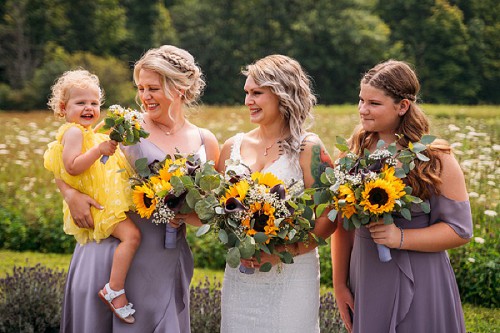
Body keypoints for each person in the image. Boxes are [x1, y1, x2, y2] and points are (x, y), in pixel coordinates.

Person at [55, 45, 219, 332]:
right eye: (140, 87)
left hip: (166, 258)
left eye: (153, 88)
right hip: (112, 253)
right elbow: (66, 160)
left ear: (180, 87)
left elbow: (209, 211)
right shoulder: (123, 126)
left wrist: (183, 214)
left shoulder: (206, 142)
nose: (144, 97)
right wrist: (70, 194)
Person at [331, 60, 473, 333]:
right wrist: (339, 285)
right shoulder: (352, 154)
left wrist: (401, 238)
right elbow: (342, 226)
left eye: (374, 103)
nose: (362, 109)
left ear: (403, 106)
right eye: (361, 100)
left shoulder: (435, 158)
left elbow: (460, 230)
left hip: (423, 276)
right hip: (368, 273)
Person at [217, 54, 337, 333]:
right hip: (240, 277)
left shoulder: (309, 148)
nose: (248, 101)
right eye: (247, 93)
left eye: (257, 93)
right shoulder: (231, 147)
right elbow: (218, 211)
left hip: (291, 276)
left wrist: (283, 251)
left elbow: (330, 217)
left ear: (283, 93)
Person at [44, 69, 140, 324]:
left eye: (94, 103)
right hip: (97, 205)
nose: (89, 107)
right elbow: (72, 166)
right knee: (131, 237)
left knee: (130, 237)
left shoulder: (84, 131)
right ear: (64, 108)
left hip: (98, 200)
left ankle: (114, 288)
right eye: (81, 103)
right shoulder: (74, 133)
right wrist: (99, 149)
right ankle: (114, 290)